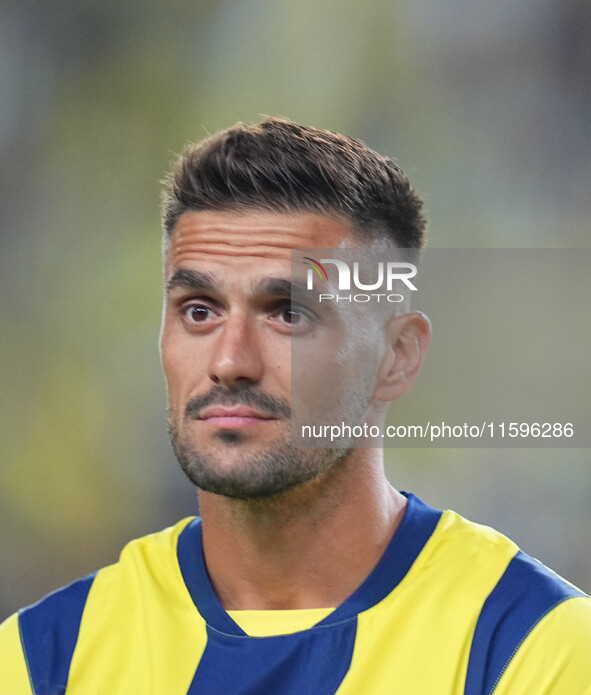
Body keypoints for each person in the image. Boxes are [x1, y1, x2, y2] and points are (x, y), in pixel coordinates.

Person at [1, 117, 590, 695]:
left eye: (288, 313)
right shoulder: (41, 658)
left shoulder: (534, 648)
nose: (230, 362)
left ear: (398, 356)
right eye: (199, 310)